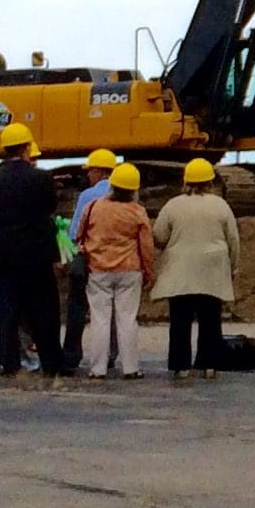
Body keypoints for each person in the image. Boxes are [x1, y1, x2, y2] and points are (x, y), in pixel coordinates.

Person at [0, 124, 64, 384]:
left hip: (2, 255)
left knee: (7, 310)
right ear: (27, 148)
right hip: (36, 254)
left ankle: (9, 362)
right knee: (44, 309)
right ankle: (51, 362)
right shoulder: (42, 179)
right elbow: (49, 207)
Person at [150, 158, 239, 380]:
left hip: (180, 270)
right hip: (213, 269)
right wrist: (233, 267)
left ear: (186, 180)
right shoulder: (221, 206)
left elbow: (159, 236)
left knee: (180, 321)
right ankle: (209, 365)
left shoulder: (173, 205)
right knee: (211, 320)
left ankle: (181, 366)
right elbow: (233, 240)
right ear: (210, 181)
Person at [78, 162, 155, 380]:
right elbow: (146, 246)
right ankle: (130, 367)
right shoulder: (137, 212)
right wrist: (149, 272)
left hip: (98, 269)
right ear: (134, 189)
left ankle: (98, 369)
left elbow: (80, 235)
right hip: (130, 271)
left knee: (100, 319)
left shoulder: (93, 207)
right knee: (127, 319)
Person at [62, 147, 122, 374]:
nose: (88, 175)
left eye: (90, 170)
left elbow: (75, 231)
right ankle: (110, 355)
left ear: (99, 171)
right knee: (114, 312)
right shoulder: (125, 193)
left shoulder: (88, 196)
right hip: (118, 260)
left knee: (78, 307)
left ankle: (71, 356)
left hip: (90, 259)